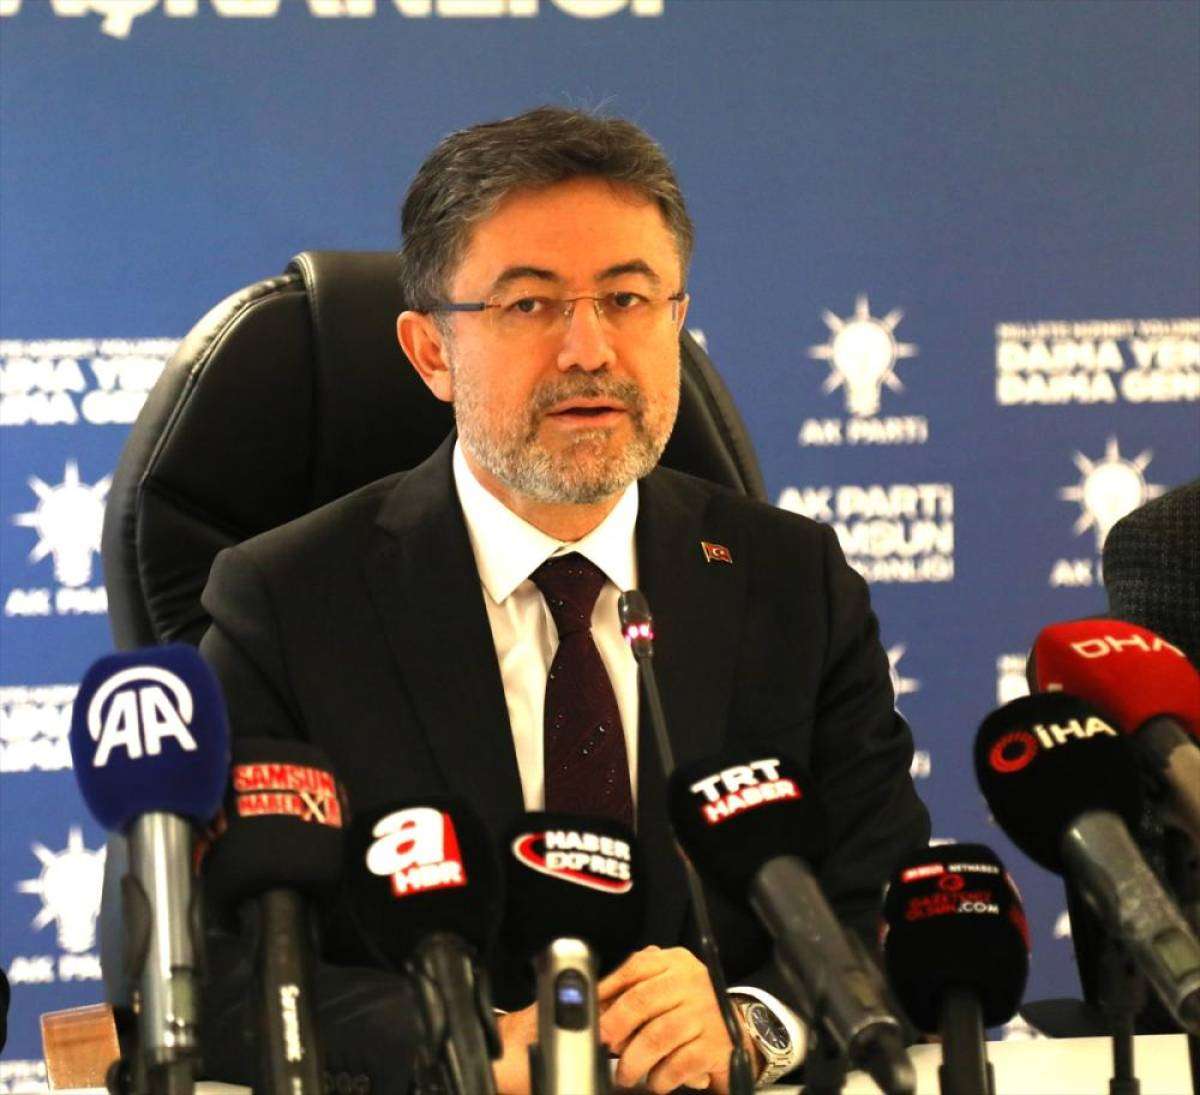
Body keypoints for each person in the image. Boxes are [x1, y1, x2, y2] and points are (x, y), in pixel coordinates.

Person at [197, 106, 930, 1093]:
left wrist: (755, 1021)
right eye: (531, 304)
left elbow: (884, 905)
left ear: (676, 318)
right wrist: (455, 1040)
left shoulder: (791, 581)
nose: (590, 350)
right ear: (430, 351)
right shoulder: (288, 604)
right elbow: (212, 968)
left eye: (627, 298)